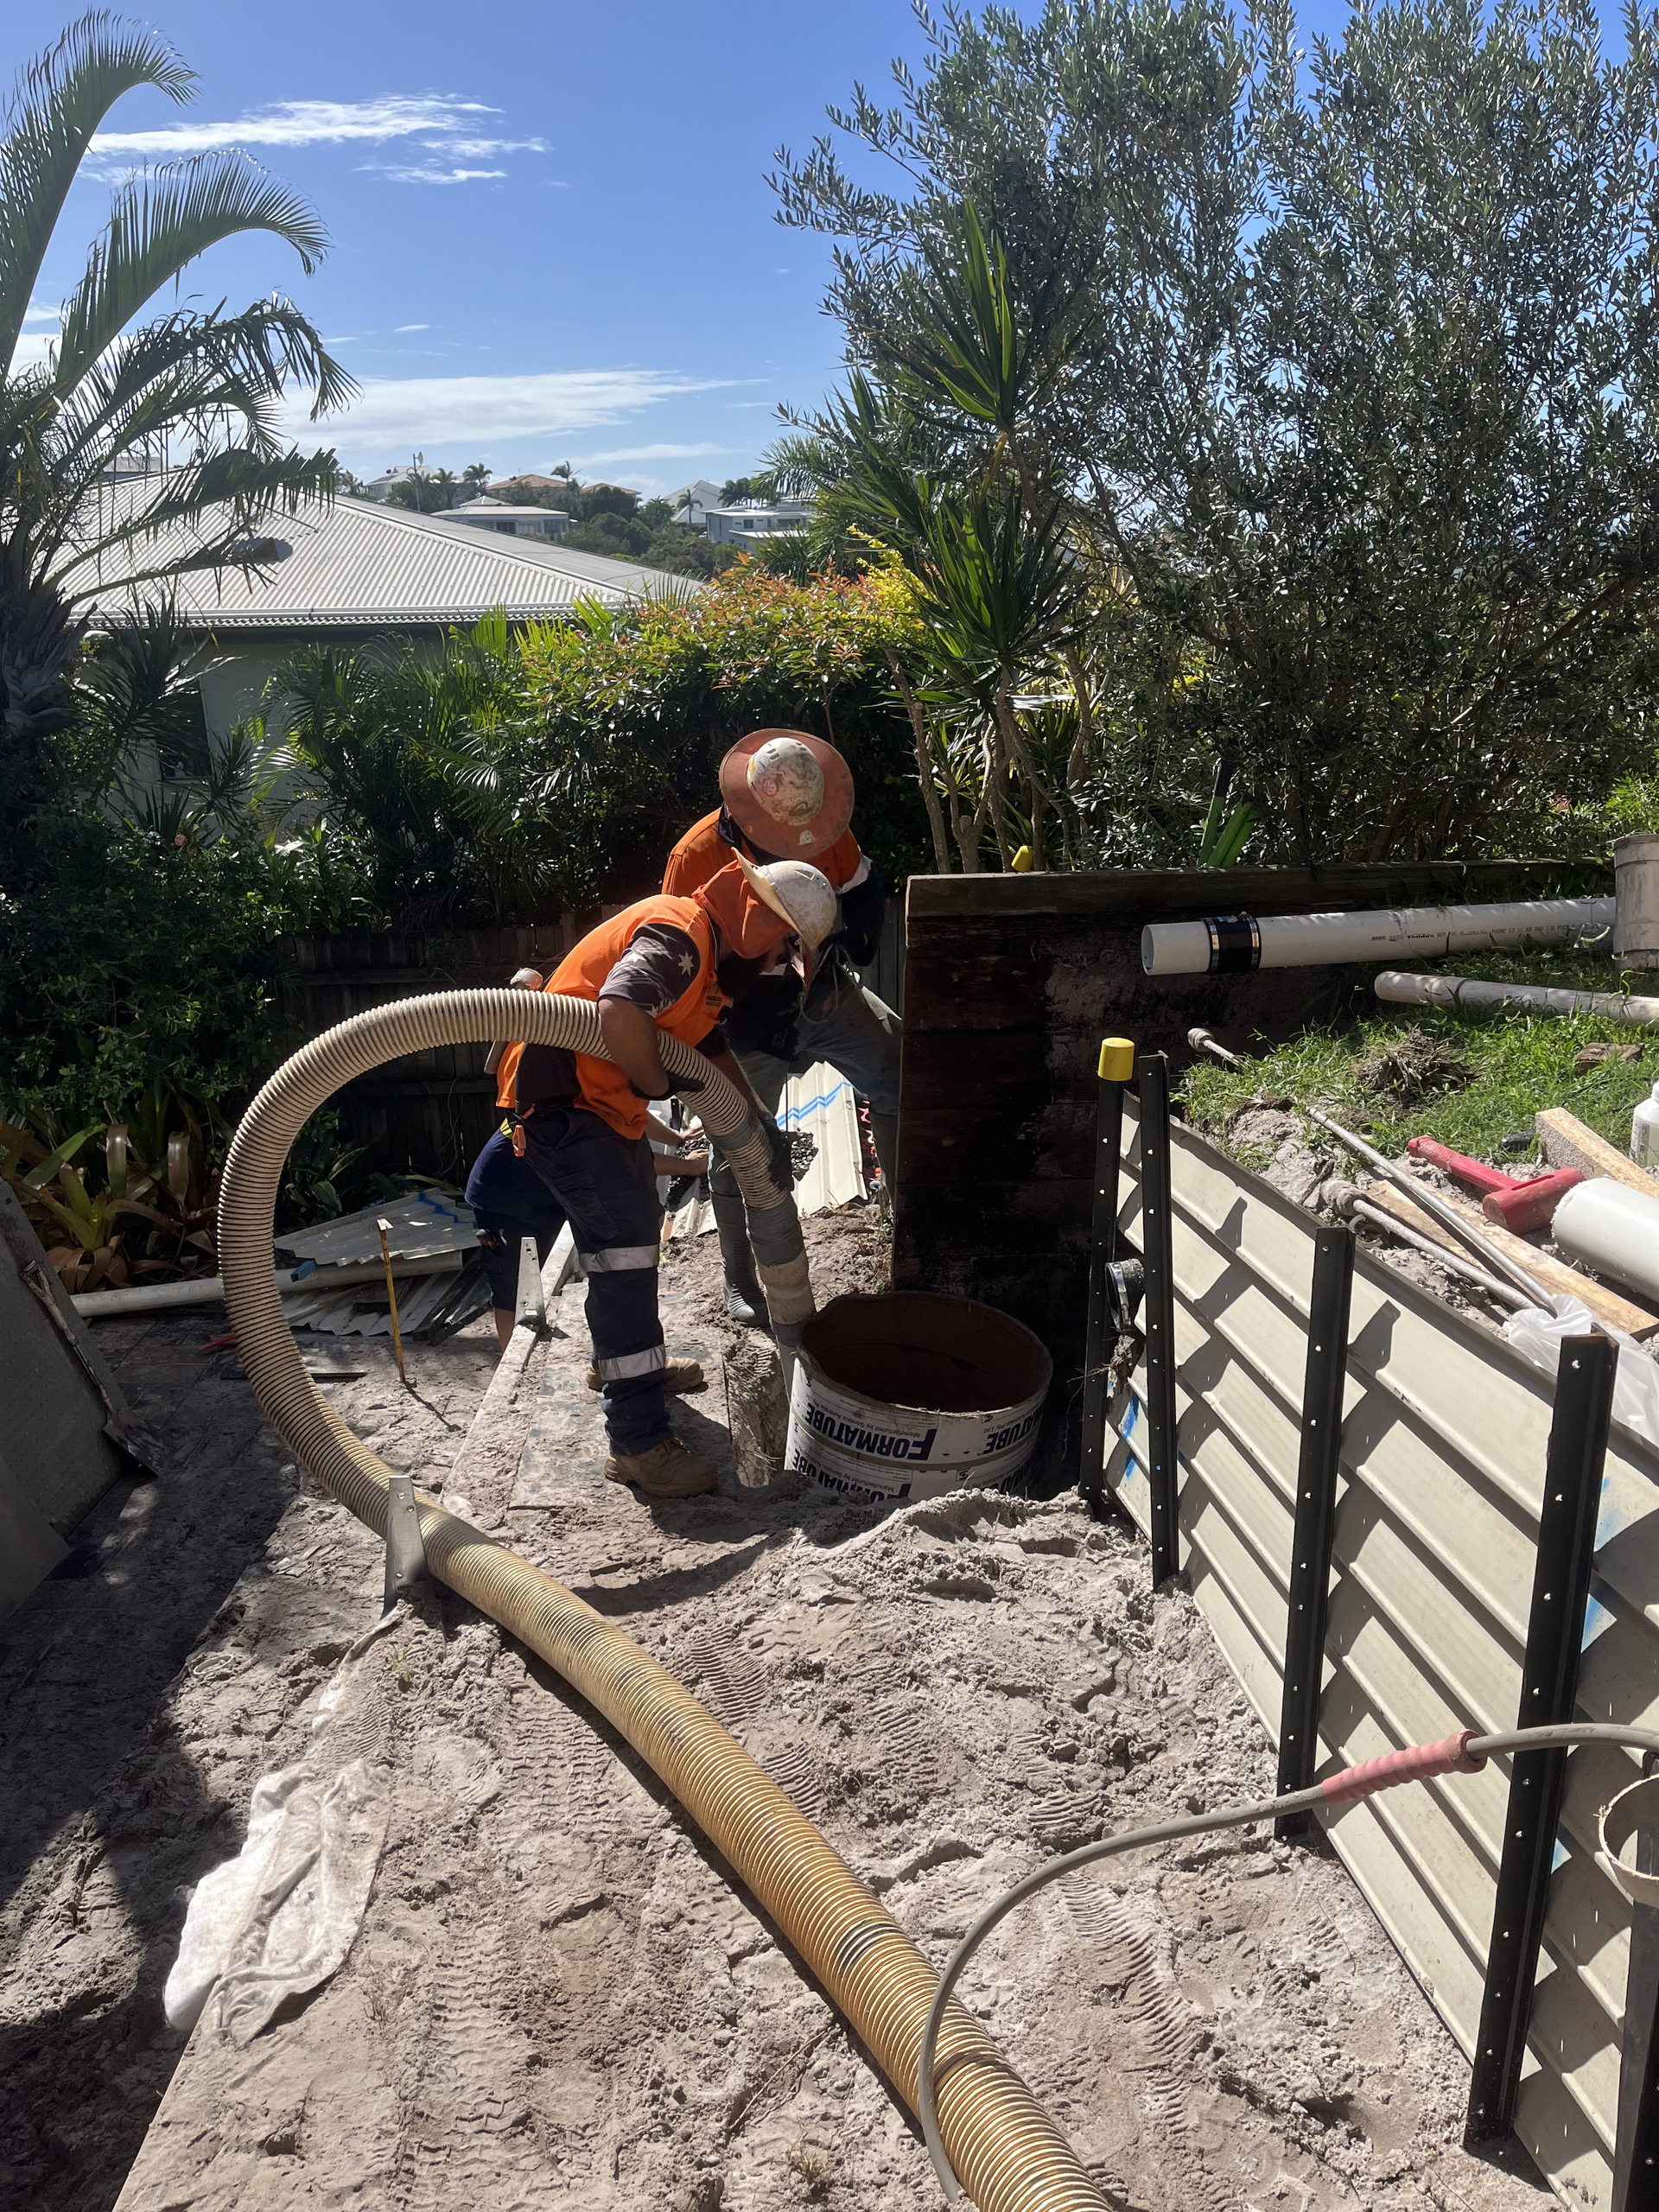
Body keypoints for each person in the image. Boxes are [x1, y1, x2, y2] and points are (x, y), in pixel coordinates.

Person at [493, 854, 835, 1501]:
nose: (773, 966)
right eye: (781, 949)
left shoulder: (703, 964)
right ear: (757, 917)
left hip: (596, 1110)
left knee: (625, 1245)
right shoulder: (679, 934)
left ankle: (625, 1368)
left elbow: (705, 1051)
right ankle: (638, 1442)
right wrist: (654, 1081)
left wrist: (758, 1122)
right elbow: (621, 1012)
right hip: (565, 1102)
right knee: (623, 1254)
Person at [662, 728, 900, 1327]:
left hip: (820, 990)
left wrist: (861, 933)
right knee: (736, 1141)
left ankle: (906, 1228)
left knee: (901, 1066)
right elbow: (683, 953)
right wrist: (734, 1017)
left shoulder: (819, 825)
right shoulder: (696, 855)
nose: (796, 841)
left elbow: (861, 882)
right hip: (743, 1013)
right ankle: (740, 1280)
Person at [465, 1111, 709, 1353]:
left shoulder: (607, 1084)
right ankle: (513, 1364)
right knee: (514, 1289)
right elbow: (622, 1159)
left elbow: (633, 1111)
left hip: (543, 1183)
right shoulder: (585, 1094)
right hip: (506, 1193)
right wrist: (688, 1167)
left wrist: (677, 1138)